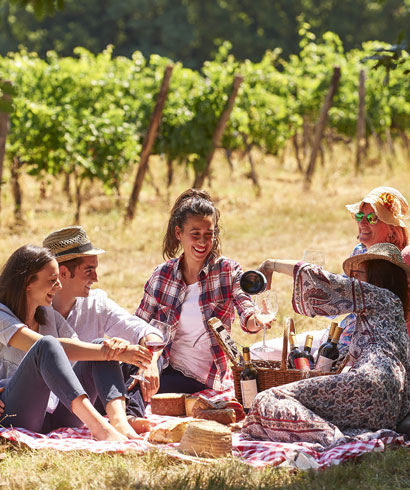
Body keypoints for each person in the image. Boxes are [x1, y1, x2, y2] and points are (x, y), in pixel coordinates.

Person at [241, 243, 410, 447]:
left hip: (369, 385)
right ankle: (344, 438)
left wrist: (271, 265)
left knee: (268, 399)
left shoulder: (378, 295)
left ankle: (336, 441)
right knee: (289, 407)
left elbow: (321, 280)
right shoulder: (394, 308)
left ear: (378, 276)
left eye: (358, 273)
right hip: (388, 405)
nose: (353, 279)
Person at [0, 245, 153, 440]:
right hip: (17, 413)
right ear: (28, 283)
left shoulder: (48, 315)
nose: (59, 286)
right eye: (52, 280)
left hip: (57, 415)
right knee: (47, 345)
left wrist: (111, 348)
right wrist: (117, 353)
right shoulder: (2, 315)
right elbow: (51, 347)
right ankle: (99, 428)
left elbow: (81, 350)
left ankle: (120, 423)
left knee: (98, 346)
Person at [135, 188, 262, 394]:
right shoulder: (162, 275)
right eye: (195, 234)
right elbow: (138, 324)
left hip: (200, 376)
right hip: (161, 363)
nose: (202, 242)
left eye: (208, 235)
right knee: (115, 376)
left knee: (135, 389)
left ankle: (127, 417)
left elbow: (245, 305)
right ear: (179, 233)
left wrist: (256, 320)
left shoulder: (227, 271)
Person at [42, 226, 162, 421]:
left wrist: (151, 361)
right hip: (53, 404)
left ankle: (130, 417)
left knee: (144, 355)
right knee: (103, 349)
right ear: (63, 273)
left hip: (93, 395)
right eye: (89, 270)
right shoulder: (34, 307)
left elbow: (145, 331)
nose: (96, 278)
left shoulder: (96, 302)